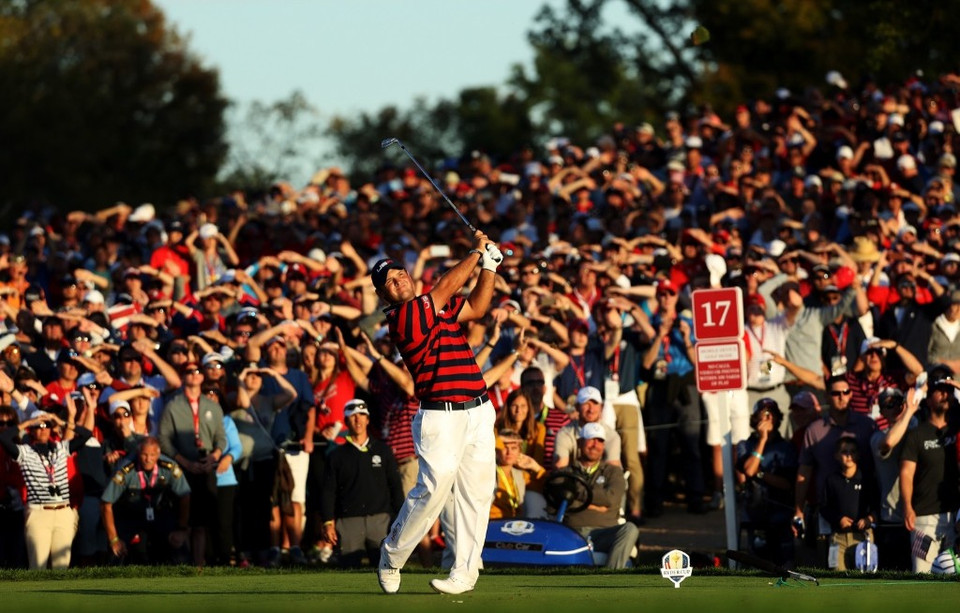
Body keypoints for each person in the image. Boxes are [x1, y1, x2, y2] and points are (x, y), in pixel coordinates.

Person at [374, 230, 503, 596]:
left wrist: (490, 266)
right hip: (440, 416)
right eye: (389, 282)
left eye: (400, 274)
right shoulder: (403, 317)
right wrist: (478, 252)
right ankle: (392, 555)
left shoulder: (439, 307)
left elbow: (477, 308)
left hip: (478, 409)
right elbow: (447, 285)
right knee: (432, 490)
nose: (398, 281)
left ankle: (464, 573)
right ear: (385, 295)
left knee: (476, 495)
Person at [0, 398, 93, 569]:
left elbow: (87, 434)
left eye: (46, 426)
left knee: (61, 567)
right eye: (38, 426)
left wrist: (62, 422)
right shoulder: (24, 452)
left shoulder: (61, 448)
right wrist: (28, 422)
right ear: (32, 430)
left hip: (63, 510)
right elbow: (4, 437)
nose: (42, 430)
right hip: (38, 513)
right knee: (38, 566)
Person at [157, 360, 227, 566]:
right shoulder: (173, 405)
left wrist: (214, 457)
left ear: (203, 376)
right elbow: (164, 439)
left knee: (202, 523)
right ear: (183, 377)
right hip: (182, 468)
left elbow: (221, 438)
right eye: (189, 371)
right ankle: (184, 564)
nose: (194, 374)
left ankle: (199, 566)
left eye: (197, 371)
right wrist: (184, 462)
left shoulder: (212, 406)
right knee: (184, 520)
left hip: (205, 466)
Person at [320, 399, 403, 568]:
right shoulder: (336, 456)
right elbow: (328, 491)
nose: (358, 420)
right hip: (348, 521)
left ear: (368, 419)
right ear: (345, 421)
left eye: (362, 415)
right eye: (353, 416)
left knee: (386, 570)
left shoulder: (383, 450)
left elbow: (395, 486)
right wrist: (328, 522)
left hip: (381, 520)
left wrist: (400, 519)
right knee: (348, 571)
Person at [900, 371, 960, 573]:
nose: (945, 395)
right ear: (928, 399)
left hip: (955, 516)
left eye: (948, 391)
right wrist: (908, 507)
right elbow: (906, 473)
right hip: (923, 518)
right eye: (939, 391)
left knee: (954, 577)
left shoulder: (958, 429)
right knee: (922, 574)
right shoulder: (916, 434)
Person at [99, 437, 191, 564]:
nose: (148, 459)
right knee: (118, 553)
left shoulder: (169, 467)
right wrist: (114, 539)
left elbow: (185, 495)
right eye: (144, 454)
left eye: (152, 455)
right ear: (138, 453)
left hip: (158, 512)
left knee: (179, 547)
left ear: (159, 454)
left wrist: (182, 529)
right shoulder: (125, 470)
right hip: (130, 515)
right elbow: (106, 504)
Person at [559, 423, 639, 569]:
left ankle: (609, 579)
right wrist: (598, 504)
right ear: (579, 442)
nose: (595, 444)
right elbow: (560, 500)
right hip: (572, 533)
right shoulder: (566, 472)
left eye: (600, 440)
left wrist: (579, 495)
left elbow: (612, 499)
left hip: (604, 533)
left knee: (630, 529)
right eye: (590, 439)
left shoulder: (613, 472)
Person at [736, 398, 797, 566]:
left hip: (781, 517)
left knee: (785, 565)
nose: (768, 419)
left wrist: (761, 474)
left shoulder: (786, 447)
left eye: (772, 415)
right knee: (757, 565)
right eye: (764, 415)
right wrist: (762, 440)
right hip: (755, 517)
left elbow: (787, 484)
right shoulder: (745, 445)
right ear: (755, 419)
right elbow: (748, 470)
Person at [820, 437, 877, 570]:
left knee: (864, 579)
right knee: (837, 576)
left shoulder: (866, 479)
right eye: (844, 452)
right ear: (836, 455)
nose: (849, 455)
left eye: (852, 452)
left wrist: (869, 519)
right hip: (838, 538)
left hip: (863, 537)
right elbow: (824, 507)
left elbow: (876, 506)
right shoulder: (832, 480)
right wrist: (838, 519)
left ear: (858, 454)